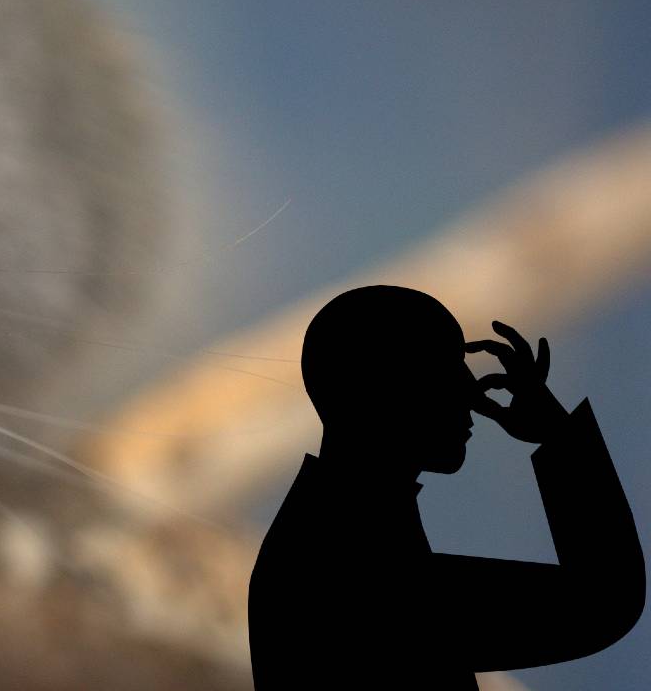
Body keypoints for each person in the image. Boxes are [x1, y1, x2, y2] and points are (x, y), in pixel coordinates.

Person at [248, 285, 644, 688]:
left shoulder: (330, 539)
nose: (473, 392)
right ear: (383, 388)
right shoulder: (349, 566)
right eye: (446, 367)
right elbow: (601, 604)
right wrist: (556, 434)